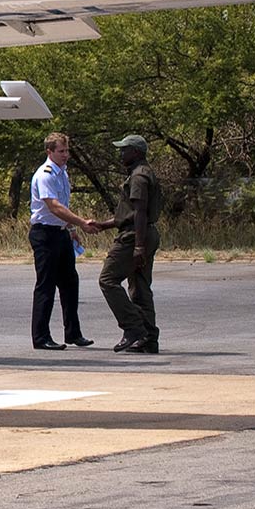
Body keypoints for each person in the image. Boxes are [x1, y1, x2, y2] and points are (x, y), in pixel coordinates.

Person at [93, 134, 161, 353]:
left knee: (108, 280)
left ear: (137, 153)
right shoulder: (142, 173)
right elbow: (131, 214)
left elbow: (140, 213)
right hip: (144, 233)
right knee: (140, 287)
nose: (121, 153)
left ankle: (133, 329)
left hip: (134, 237)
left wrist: (138, 246)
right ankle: (149, 339)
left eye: (125, 149)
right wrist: (104, 225)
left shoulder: (139, 177)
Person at [28, 132, 96, 351]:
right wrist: (82, 221)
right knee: (46, 286)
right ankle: (41, 337)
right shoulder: (45, 174)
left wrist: (71, 228)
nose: (66, 155)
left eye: (67, 150)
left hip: (60, 232)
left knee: (70, 283)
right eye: (61, 151)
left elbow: (62, 208)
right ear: (50, 152)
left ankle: (73, 333)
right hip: (44, 235)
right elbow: (54, 206)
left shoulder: (62, 173)